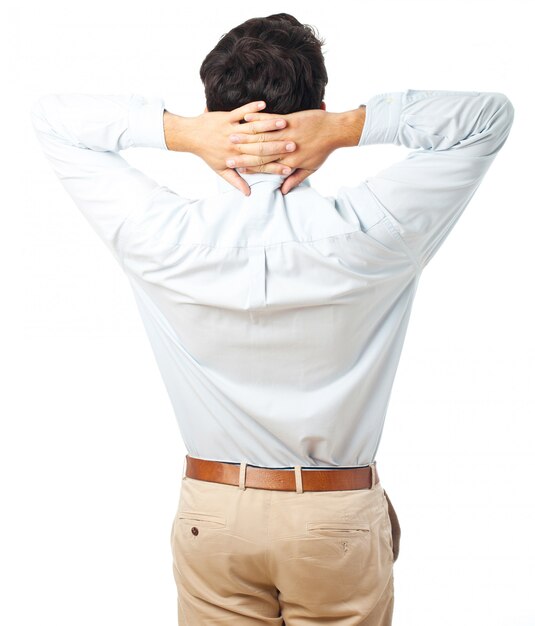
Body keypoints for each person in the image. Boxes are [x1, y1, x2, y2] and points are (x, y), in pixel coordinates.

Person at [30, 11, 514, 626]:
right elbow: (486, 117)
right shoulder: (374, 231)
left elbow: (55, 120)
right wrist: (346, 129)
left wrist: (184, 134)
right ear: (317, 104)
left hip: (215, 512)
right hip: (333, 516)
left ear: (212, 108)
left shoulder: (159, 237)